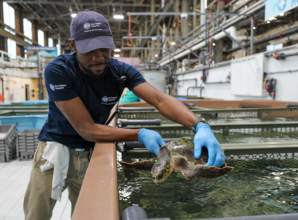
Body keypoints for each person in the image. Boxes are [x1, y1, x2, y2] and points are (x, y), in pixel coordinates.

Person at [23, 9, 226, 220]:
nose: (99, 57)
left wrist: (200, 124)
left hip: (93, 154)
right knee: (37, 214)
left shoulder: (120, 71)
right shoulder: (59, 71)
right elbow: (87, 129)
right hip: (56, 149)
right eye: (90, 50)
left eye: (104, 48)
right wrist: (139, 133)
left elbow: (160, 99)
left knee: (88, 214)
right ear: (73, 45)